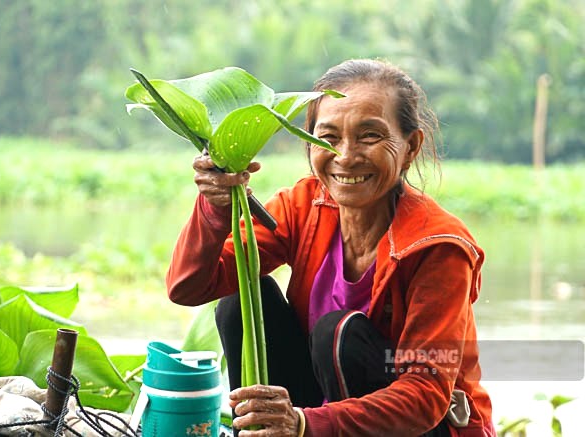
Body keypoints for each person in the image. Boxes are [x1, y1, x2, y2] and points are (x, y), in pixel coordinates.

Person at [166, 59, 496, 436]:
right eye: (328, 137)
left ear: (410, 147)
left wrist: (305, 422)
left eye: (369, 136)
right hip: (324, 415)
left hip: (426, 427)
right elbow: (189, 287)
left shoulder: (437, 246)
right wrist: (214, 208)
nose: (345, 156)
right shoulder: (303, 205)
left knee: (337, 333)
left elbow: (426, 395)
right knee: (241, 300)